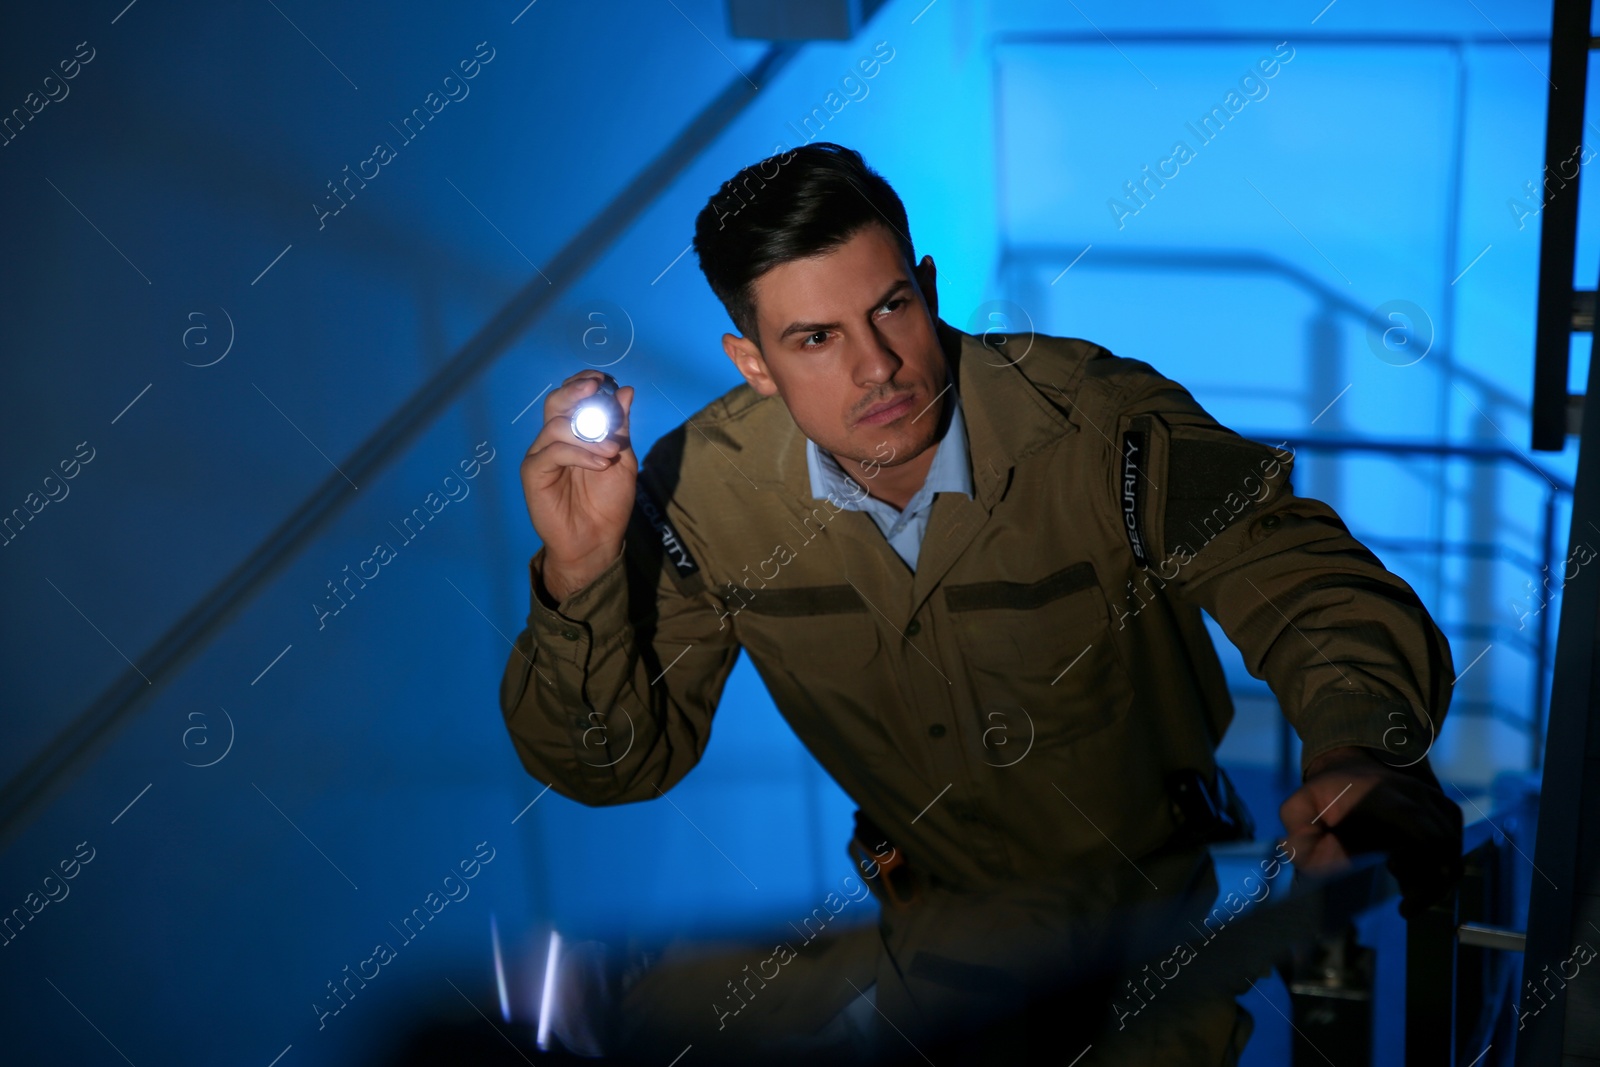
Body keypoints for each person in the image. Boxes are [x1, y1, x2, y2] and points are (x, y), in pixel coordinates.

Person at [499, 142, 1464, 1064]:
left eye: (893, 307)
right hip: (933, 951)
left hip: (1143, 933)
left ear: (925, 281)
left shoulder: (1095, 421)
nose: (876, 366)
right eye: (816, 339)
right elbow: (615, 762)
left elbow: (1299, 576)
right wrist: (580, 575)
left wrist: (1356, 751)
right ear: (752, 362)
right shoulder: (705, 494)